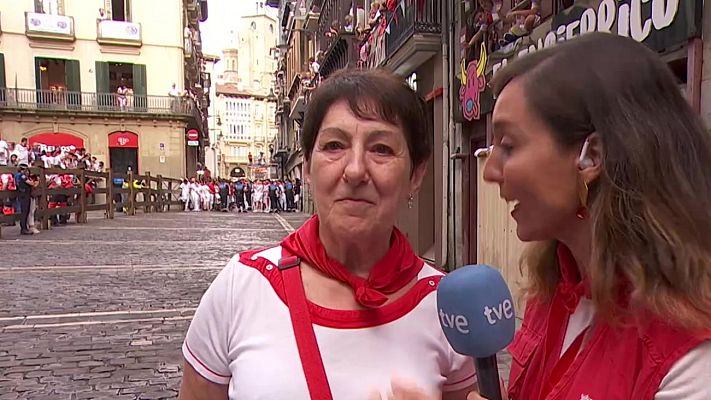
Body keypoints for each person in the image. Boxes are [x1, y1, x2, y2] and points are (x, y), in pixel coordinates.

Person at [179, 69, 476, 400]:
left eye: (381, 149)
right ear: (307, 166)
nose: (355, 170)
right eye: (334, 146)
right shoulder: (242, 286)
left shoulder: (447, 307)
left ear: (416, 175)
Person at [468, 33, 711, 400]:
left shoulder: (689, 348)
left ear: (591, 156)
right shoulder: (552, 292)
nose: (489, 171)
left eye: (508, 146)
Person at [15, 163, 38, 235]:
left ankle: (25, 228)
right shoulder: (21, 175)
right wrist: (35, 181)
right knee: (24, 211)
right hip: (24, 194)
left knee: (26, 211)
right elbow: (31, 183)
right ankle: (23, 228)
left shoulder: (19, 175)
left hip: (24, 194)